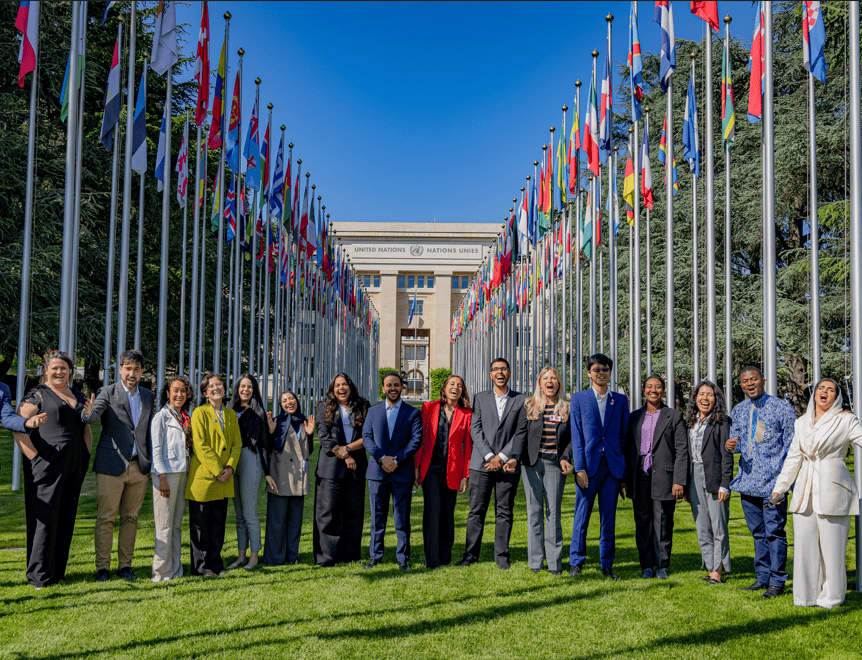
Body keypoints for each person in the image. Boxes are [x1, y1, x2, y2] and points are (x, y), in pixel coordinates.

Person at [771, 378, 862, 609]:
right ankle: (805, 597)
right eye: (821, 388)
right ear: (814, 394)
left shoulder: (846, 419)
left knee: (833, 550)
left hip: (835, 490)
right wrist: (780, 489)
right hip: (805, 491)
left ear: (837, 397)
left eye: (831, 390)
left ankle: (832, 598)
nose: (825, 392)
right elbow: (793, 457)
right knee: (804, 547)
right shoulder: (801, 422)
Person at [13, 351, 90, 589]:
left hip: (74, 464)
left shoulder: (77, 394)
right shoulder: (37, 394)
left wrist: (86, 454)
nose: (59, 372)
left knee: (66, 516)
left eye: (64, 368)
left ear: (70, 371)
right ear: (45, 369)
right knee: (45, 519)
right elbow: (18, 425)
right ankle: (39, 575)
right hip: (46, 465)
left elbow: (85, 428)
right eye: (54, 368)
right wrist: (33, 456)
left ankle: (57, 572)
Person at [82, 348, 155, 581]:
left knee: (131, 518)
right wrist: (88, 414)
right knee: (106, 519)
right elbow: (94, 416)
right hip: (111, 465)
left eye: (136, 368)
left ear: (141, 371)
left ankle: (126, 566)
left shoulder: (149, 396)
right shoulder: (107, 391)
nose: (131, 373)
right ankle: (102, 568)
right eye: (127, 368)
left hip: (138, 468)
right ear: (120, 369)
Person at [726, 366, 796, 598]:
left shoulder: (781, 408)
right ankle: (762, 577)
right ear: (741, 385)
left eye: (753, 379)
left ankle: (777, 581)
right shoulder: (739, 409)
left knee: (774, 532)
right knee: (758, 533)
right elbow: (734, 440)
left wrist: (787, 484)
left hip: (773, 485)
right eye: (745, 381)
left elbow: (792, 447)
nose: (749, 384)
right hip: (747, 484)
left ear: (763, 380)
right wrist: (730, 446)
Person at [458, 357, 526, 570]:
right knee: (476, 511)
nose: (499, 372)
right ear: (490, 374)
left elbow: (520, 432)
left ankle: (502, 557)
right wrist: (489, 456)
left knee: (504, 511)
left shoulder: (521, 400)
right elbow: (475, 430)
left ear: (509, 373)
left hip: (508, 466)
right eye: (495, 369)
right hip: (481, 465)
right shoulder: (479, 398)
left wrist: (502, 457)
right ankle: (470, 555)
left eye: (504, 369)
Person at [569, 353, 630, 579]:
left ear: (610, 372)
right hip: (589, 467)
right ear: (589, 373)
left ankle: (607, 564)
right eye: (596, 370)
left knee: (608, 518)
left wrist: (623, 473)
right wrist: (579, 468)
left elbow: (624, 437)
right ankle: (576, 561)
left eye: (605, 369)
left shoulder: (621, 400)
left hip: (612, 468)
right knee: (581, 516)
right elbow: (577, 436)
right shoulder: (579, 399)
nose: (601, 373)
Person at [625, 376, 688, 580]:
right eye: (650, 387)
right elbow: (628, 450)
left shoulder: (674, 416)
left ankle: (662, 564)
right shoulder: (634, 417)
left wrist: (679, 480)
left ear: (663, 390)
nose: (654, 390)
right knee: (642, 521)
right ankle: (646, 565)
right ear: (644, 390)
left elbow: (681, 450)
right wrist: (626, 478)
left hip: (665, 476)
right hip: (640, 475)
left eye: (658, 387)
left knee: (662, 520)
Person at [363, 371, 423, 571]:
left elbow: (416, 440)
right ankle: (375, 556)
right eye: (389, 385)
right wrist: (382, 458)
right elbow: (367, 438)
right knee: (376, 518)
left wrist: (397, 459)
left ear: (402, 387)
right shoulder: (372, 412)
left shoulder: (413, 412)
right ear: (383, 388)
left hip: (401, 471)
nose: (393, 388)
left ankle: (403, 558)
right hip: (377, 473)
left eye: (396, 385)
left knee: (402, 517)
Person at [516, 366, 572, 575]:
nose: (550, 382)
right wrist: (514, 458)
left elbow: (571, 439)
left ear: (558, 383)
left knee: (553, 513)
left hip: (555, 465)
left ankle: (555, 564)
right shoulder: (530, 405)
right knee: (534, 511)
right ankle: (535, 562)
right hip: (531, 464)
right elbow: (521, 434)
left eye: (554, 378)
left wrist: (566, 458)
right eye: (546, 378)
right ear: (539, 382)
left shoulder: (567, 407)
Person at [186, 373, 241, 577]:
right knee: (201, 527)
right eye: (211, 386)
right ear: (205, 392)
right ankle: (201, 568)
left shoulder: (231, 414)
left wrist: (230, 468)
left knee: (218, 525)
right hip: (205, 478)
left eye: (219, 384)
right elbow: (200, 445)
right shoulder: (199, 413)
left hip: (224, 479)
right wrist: (219, 470)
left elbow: (237, 444)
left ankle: (216, 564)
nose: (216, 388)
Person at [414, 375, 472, 569]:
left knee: (447, 514)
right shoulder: (429, 408)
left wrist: (466, 475)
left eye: (459, 385)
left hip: (453, 470)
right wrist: (416, 467)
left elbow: (468, 446)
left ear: (462, 391)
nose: (455, 387)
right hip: (430, 468)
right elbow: (421, 439)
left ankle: (445, 557)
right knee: (432, 512)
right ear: (444, 388)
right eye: (452, 384)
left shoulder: (467, 414)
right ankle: (432, 559)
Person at [313, 373, 370, 566]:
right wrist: (345, 455)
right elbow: (324, 436)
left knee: (353, 512)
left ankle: (350, 555)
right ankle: (327, 557)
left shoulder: (363, 406)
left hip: (356, 468)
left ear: (350, 386)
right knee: (328, 513)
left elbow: (368, 436)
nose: (341, 388)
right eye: (337, 385)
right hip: (330, 469)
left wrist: (347, 449)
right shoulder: (324, 406)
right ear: (332, 388)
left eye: (344, 384)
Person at [684, 379, 733, 584]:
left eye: (710, 395)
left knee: (718, 525)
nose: (705, 398)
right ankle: (709, 564)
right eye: (701, 394)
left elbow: (727, 455)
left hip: (714, 475)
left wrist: (725, 484)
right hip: (693, 475)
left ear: (716, 399)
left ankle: (717, 570)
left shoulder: (723, 422)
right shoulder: (690, 421)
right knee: (702, 524)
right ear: (695, 398)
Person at [262, 391, 315, 566]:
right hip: (280, 476)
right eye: (284, 400)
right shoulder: (276, 421)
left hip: (299, 478)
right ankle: (275, 557)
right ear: (280, 404)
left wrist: (310, 435)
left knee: (294, 522)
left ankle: (292, 555)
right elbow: (268, 448)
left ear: (297, 401)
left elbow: (307, 452)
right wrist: (270, 432)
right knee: (277, 521)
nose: (288, 402)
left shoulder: (303, 421)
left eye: (291, 398)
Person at [226, 374, 273, 571]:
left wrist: (268, 472)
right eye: (242, 386)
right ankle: (241, 556)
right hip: (232, 463)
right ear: (237, 388)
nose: (245, 390)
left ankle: (254, 557)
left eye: (250, 387)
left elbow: (263, 444)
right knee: (238, 514)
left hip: (250, 460)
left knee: (249, 513)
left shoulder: (258, 411)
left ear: (254, 390)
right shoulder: (229, 410)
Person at [150, 375, 193, 583]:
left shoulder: (184, 416)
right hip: (166, 476)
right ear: (167, 393)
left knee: (176, 525)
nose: (179, 394)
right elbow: (156, 451)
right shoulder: (161, 417)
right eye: (175, 390)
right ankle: (160, 572)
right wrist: (162, 478)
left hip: (182, 473)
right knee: (164, 525)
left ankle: (176, 569)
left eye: (183, 390)